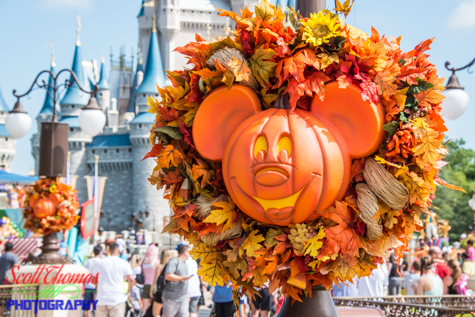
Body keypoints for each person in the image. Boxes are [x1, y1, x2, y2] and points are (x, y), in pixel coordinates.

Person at [92, 243, 135, 317]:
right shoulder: (124, 263)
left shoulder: (100, 262)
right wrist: (128, 292)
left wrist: (97, 288)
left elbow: (93, 279)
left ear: (109, 250)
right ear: (118, 251)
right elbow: (131, 279)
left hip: (102, 297)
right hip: (117, 298)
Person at [162, 245, 192, 317]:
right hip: (171, 297)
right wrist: (181, 278)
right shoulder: (174, 261)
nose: (191, 254)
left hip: (183, 297)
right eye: (190, 252)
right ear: (185, 252)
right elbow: (167, 275)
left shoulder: (184, 263)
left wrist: (187, 294)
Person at [151, 250, 177, 317]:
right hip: (171, 292)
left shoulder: (160, 266)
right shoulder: (173, 266)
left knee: (156, 313)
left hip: (161, 291)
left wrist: (152, 290)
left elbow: (156, 279)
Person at [84, 245, 103, 317]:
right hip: (97, 286)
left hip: (87, 285)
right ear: (100, 252)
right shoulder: (102, 262)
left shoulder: (87, 261)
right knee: (96, 307)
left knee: (86, 307)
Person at [143, 244, 160, 314]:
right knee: (155, 311)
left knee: (145, 308)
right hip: (154, 286)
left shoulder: (144, 262)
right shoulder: (156, 262)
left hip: (146, 285)